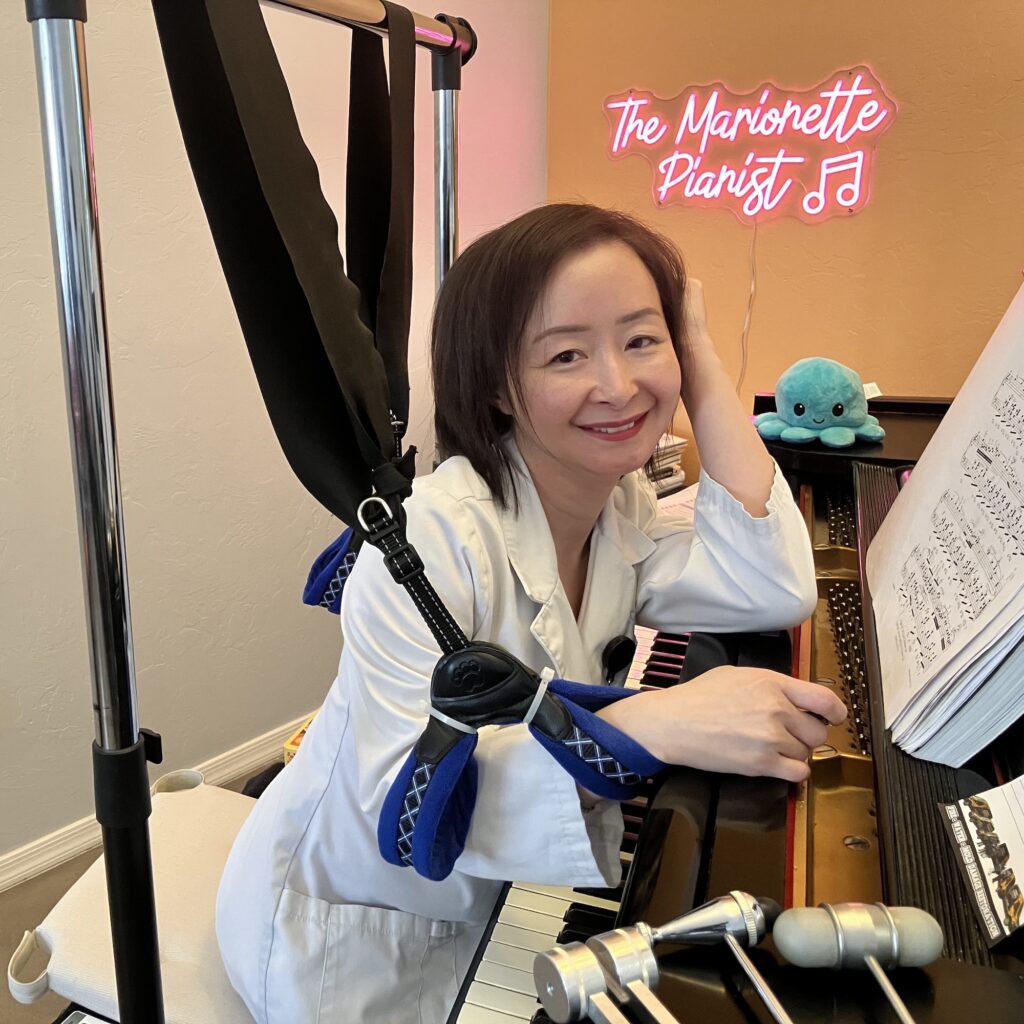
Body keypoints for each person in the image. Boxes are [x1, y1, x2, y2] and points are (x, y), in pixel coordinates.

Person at [215, 203, 847, 1024]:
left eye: (641, 339)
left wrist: (697, 350)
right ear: (494, 384)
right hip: (346, 941)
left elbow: (772, 583)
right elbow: (403, 819)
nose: (619, 386)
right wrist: (652, 725)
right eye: (566, 354)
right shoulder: (429, 548)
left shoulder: (618, 510)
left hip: (490, 903)